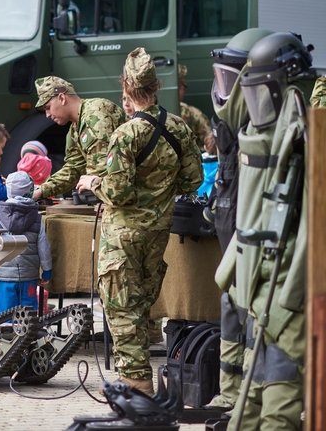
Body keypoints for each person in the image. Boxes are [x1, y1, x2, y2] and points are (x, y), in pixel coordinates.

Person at [77, 47, 202, 396]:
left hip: (122, 235)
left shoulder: (127, 134)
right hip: (158, 229)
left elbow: (117, 193)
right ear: (155, 86)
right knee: (142, 307)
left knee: (121, 308)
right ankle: (137, 381)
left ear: (127, 90)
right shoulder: (178, 126)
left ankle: (136, 385)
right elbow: (193, 180)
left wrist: (93, 182)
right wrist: (159, 194)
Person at [216, 32, 313, 430]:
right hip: (261, 288)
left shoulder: (305, 143)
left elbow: (307, 236)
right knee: (252, 399)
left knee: (277, 400)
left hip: (284, 290)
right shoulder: (271, 138)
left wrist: (287, 299)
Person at [203, 28, 274, 413]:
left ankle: (252, 397)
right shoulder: (236, 122)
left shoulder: (278, 126)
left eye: (232, 77)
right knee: (230, 304)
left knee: (254, 311)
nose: (224, 88)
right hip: (231, 216)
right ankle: (230, 393)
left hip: (256, 226)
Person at [31, 76, 125, 201]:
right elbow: (74, 168)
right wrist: (42, 190)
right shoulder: (75, 129)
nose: (47, 115)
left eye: (48, 107)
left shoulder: (94, 114)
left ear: (62, 98)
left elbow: (102, 169)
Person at [0, 172, 52, 314]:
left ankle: (5, 335)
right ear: (30, 191)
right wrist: (47, 270)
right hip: (28, 275)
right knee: (28, 314)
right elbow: (44, 247)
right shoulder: (37, 219)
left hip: (2, 275)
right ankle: (28, 335)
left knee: (4, 314)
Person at [178, 64, 213, 152]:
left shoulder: (193, 114)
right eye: (181, 85)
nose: (183, 89)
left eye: (183, 86)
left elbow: (211, 144)